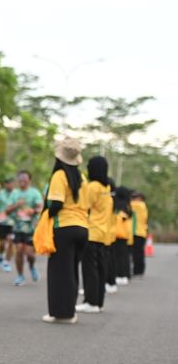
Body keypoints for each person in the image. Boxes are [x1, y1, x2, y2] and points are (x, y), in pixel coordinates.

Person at [43, 137, 89, 324]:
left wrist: (45, 216)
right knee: (71, 271)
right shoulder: (82, 178)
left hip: (64, 227)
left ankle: (61, 313)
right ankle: (70, 311)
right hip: (83, 228)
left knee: (58, 271)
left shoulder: (59, 176)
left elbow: (56, 204)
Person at [76, 156, 112, 314]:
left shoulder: (93, 187)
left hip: (91, 232)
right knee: (100, 269)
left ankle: (91, 302)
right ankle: (98, 302)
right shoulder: (106, 188)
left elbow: (83, 206)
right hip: (103, 234)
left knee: (89, 269)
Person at [6, 170, 43, 286]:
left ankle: (32, 266)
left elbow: (41, 208)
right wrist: (16, 205)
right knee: (19, 251)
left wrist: (33, 211)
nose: (22, 181)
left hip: (31, 228)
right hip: (18, 227)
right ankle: (20, 276)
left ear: (29, 180)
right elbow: (7, 211)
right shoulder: (14, 194)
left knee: (30, 254)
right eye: (20, 179)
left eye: (24, 179)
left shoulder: (34, 192)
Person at [0, 177, 15, 272]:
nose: (9, 185)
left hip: (13, 222)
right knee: (3, 243)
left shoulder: (16, 193)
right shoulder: (0, 193)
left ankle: (6, 262)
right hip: (2, 221)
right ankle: (0, 255)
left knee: (11, 240)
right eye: (7, 183)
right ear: (5, 185)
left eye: (11, 183)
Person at [112, 186, 133, 286]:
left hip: (116, 234)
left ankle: (119, 275)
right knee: (124, 256)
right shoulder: (128, 206)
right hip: (125, 234)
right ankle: (125, 274)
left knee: (117, 256)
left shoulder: (117, 206)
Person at [130, 191, 149, 278]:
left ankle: (137, 270)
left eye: (135, 197)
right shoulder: (142, 205)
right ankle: (140, 270)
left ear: (140, 198)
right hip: (141, 232)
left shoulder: (139, 205)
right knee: (139, 252)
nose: (133, 199)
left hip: (137, 232)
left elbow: (129, 205)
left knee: (137, 253)